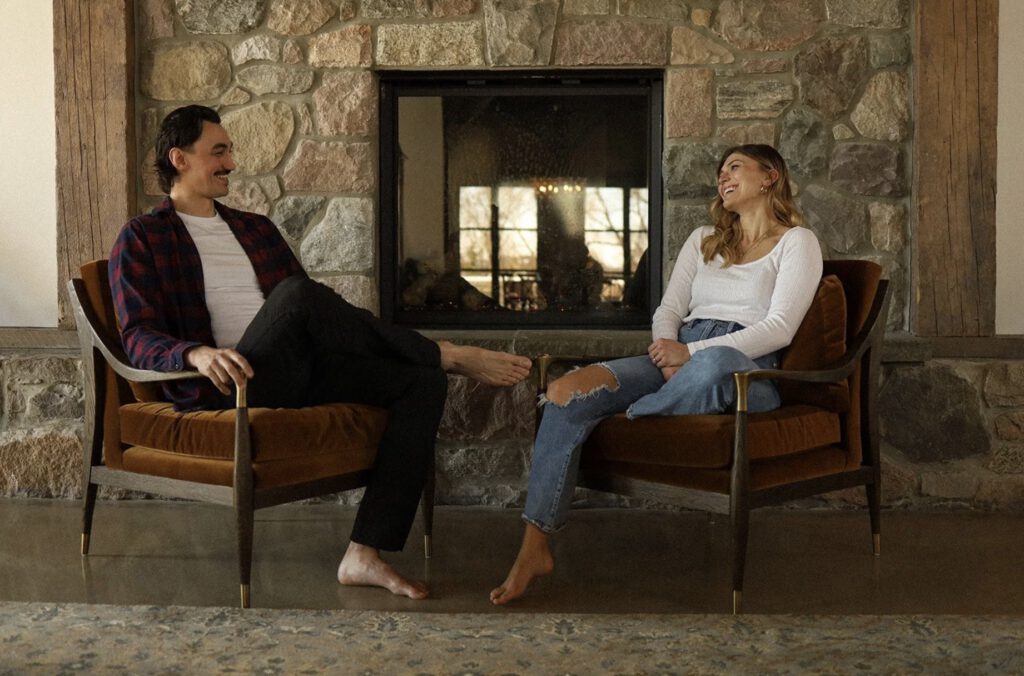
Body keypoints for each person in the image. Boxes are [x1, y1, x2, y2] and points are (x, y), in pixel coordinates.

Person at [109, 105, 532, 600]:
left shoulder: (256, 229)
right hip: (228, 385)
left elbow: (314, 318)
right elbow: (137, 333)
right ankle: (441, 352)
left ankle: (364, 553)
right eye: (218, 152)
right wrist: (196, 354)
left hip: (291, 369)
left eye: (230, 151)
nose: (231, 163)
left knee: (421, 382)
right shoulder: (144, 237)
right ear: (179, 159)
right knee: (298, 294)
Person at [490, 144, 823, 604]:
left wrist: (691, 353)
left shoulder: (797, 242)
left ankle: (632, 413)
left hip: (747, 371)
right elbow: (668, 310)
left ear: (770, 177)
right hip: (679, 353)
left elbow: (779, 328)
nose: (723, 177)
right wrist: (669, 353)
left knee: (713, 365)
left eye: (735, 167)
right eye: (720, 171)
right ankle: (535, 545)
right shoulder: (703, 239)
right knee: (565, 392)